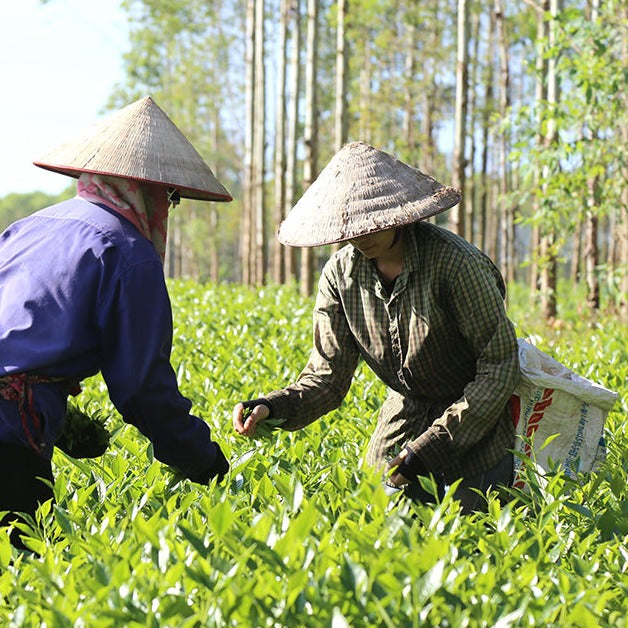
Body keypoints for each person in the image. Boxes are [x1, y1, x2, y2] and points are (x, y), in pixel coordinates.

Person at [233, 141, 520, 513]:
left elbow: (499, 365)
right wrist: (273, 406)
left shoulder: (454, 265)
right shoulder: (340, 276)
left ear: (398, 213)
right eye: (349, 227)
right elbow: (327, 378)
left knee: (468, 537)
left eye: (371, 221)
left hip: (473, 425)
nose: (360, 234)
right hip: (404, 416)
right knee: (378, 531)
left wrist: (433, 446)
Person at [0, 96, 231, 546]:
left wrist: (59, 415)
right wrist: (203, 461)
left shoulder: (28, 227)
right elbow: (142, 387)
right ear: (147, 191)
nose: (169, 205)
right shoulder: (128, 253)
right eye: (171, 196)